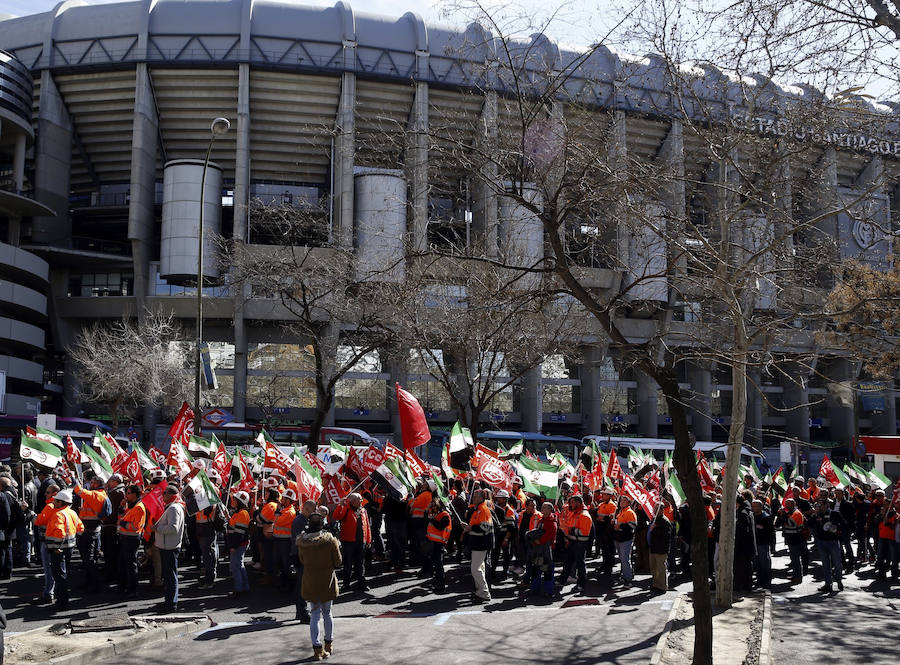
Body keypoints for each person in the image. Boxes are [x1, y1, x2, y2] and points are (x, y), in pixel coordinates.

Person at [298, 512, 342, 661]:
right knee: (327, 613)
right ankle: (328, 644)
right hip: (327, 580)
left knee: (314, 615)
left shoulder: (302, 542)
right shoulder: (330, 541)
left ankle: (317, 649)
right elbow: (338, 561)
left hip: (310, 580)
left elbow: (302, 560)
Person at [35, 488, 84, 610]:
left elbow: (60, 534)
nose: (54, 502)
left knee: (59, 576)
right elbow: (80, 528)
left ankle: (62, 602)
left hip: (59, 550)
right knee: (63, 573)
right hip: (69, 548)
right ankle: (63, 600)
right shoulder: (72, 512)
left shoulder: (58, 515)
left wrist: (56, 548)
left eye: (56, 501)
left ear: (62, 502)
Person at [73, 474, 109, 593]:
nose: (90, 484)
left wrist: (73, 478)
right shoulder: (101, 494)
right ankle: (90, 581)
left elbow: (79, 491)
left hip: (89, 531)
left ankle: (95, 584)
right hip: (92, 529)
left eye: (93, 482)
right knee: (89, 558)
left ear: (98, 484)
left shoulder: (96, 494)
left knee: (88, 559)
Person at [153, 485, 185, 611]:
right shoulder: (172, 507)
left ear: (170, 495)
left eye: (165, 493)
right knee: (168, 575)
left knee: (171, 575)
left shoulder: (173, 508)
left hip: (170, 547)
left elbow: (173, 528)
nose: (163, 495)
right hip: (167, 545)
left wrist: (158, 528)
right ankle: (169, 600)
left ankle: (171, 603)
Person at [332, 492, 372, 591]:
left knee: (360, 564)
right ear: (353, 501)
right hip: (348, 541)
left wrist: (368, 540)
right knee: (348, 564)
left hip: (361, 541)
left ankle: (361, 583)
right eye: (360, 499)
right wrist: (340, 505)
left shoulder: (363, 510)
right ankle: (346, 584)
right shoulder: (346, 509)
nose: (362, 501)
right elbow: (336, 516)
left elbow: (367, 525)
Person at [807, 497, 846, 592]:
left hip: (833, 541)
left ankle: (839, 580)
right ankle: (828, 584)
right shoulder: (817, 515)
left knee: (837, 563)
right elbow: (808, 524)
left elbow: (843, 526)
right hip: (821, 541)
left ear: (826, 505)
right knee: (825, 564)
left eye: (821, 505)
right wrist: (814, 515)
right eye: (818, 505)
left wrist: (836, 530)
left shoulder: (834, 514)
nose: (819, 507)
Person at [463, 488, 494, 602]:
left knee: (475, 569)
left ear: (482, 498)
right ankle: (480, 591)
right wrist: (467, 527)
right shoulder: (477, 510)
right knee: (479, 568)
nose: (473, 498)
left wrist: (470, 528)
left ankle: (484, 592)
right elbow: (476, 526)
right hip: (477, 542)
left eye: (476, 496)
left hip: (481, 543)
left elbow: (485, 527)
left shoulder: (483, 510)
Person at [117, 484, 147, 598]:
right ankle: (126, 586)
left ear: (135, 494)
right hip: (125, 538)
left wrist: (123, 524)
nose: (126, 495)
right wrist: (121, 508)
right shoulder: (132, 505)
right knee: (125, 564)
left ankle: (133, 589)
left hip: (131, 539)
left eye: (128, 493)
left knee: (131, 565)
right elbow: (124, 516)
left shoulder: (139, 507)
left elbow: (135, 526)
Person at [559, 494, 591, 592]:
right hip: (573, 542)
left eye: (572, 502)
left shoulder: (584, 515)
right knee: (568, 563)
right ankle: (562, 580)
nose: (570, 504)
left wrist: (571, 530)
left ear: (578, 503)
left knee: (580, 564)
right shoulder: (575, 513)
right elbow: (568, 525)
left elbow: (585, 532)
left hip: (580, 544)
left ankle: (581, 584)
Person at [291, 499, 317, 621]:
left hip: (303, 555)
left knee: (302, 584)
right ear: (307, 509)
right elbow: (301, 539)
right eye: (313, 510)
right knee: (302, 585)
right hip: (300, 556)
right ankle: (302, 612)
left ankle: (300, 612)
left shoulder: (304, 520)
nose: (315, 512)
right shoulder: (299, 521)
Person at [526, 501, 557, 597]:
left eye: (544, 507)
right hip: (538, 548)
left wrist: (539, 540)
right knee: (536, 569)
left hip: (546, 550)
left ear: (549, 509)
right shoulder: (542, 520)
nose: (542, 509)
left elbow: (550, 535)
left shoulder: (552, 521)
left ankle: (549, 591)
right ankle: (535, 589)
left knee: (547, 571)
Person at [775, 497, 807, 583]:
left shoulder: (796, 513)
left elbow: (791, 524)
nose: (786, 505)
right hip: (791, 539)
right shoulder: (789, 513)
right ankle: (795, 575)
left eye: (788, 503)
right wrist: (781, 515)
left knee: (796, 558)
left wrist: (783, 515)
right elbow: (778, 525)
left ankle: (798, 576)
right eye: (786, 503)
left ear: (794, 504)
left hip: (796, 539)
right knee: (793, 558)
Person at [226, 490, 252, 596]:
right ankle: (244, 587)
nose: (233, 501)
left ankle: (238, 589)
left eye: (235, 499)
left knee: (236, 566)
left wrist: (233, 546)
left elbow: (239, 534)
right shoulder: (239, 513)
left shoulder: (242, 514)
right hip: (239, 544)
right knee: (239, 565)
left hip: (238, 545)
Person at [424, 495, 452, 593]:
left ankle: (441, 583)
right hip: (433, 542)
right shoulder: (436, 514)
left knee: (438, 564)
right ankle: (437, 581)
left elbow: (440, 527)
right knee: (436, 563)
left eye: (434, 506)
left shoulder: (445, 515)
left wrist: (432, 519)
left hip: (439, 543)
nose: (433, 508)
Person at [273, 489, 298, 589]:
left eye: (283, 498)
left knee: (286, 563)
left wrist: (277, 510)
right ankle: (284, 582)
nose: (281, 500)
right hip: (279, 539)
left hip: (285, 541)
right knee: (280, 563)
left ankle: (290, 584)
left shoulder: (290, 512)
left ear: (288, 500)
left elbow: (277, 521)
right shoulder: (285, 510)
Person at [648, 503, 672, 594]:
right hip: (653, 548)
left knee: (661, 569)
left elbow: (666, 536)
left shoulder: (665, 521)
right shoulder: (654, 520)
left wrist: (655, 529)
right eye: (654, 508)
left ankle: (662, 586)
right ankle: (656, 584)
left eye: (656, 508)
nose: (654, 510)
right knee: (654, 568)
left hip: (661, 549)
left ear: (662, 510)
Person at [751, 499, 775, 589]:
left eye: (756, 506)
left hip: (763, 544)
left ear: (761, 507)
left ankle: (767, 581)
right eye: (753, 506)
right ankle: (759, 580)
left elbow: (771, 532)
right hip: (754, 544)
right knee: (757, 564)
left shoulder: (766, 517)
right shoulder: (752, 516)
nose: (754, 508)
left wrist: (770, 544)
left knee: (764, 563)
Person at [614, 496, 637, 586]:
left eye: (624, 501)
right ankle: (625, 575)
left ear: (628, 503)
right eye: (621, 500)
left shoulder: (630, 512)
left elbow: (633, 526)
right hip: (619, 538)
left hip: (626, 539)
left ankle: (628, 578)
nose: (622, 502)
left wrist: (621, 526)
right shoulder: (620, 512)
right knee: (622, 559)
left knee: (625, 559)